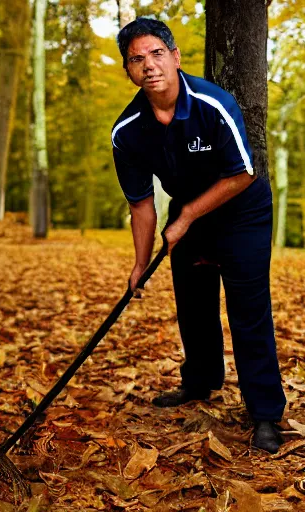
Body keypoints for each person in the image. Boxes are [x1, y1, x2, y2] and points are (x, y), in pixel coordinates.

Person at [112, 17, 286, 453]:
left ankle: (265, 412)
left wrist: (187, 215)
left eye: (156, 54)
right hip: (186, 217)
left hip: (242, 211)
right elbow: (141, 205)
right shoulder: (127, 131)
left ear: (175, 57)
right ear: (129, 71)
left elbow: (244, 174)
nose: (148, 65)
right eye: (137, 59)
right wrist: (138, 265)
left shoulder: (214, 104)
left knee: (248, 311)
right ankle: (201, 381)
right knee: (192, 305)